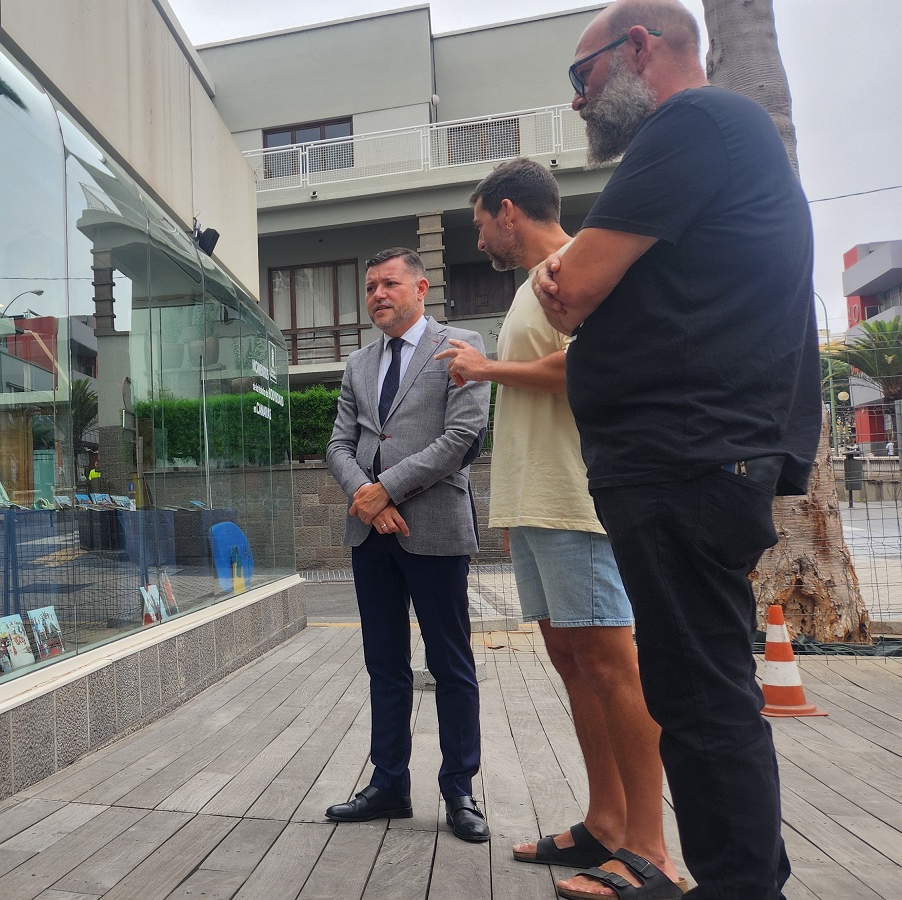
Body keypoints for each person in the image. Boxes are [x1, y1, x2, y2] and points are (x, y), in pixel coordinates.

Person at [533, 2, 820, 897]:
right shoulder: (720, 138)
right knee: (705, 694)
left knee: (699, 701)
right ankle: (744, 878)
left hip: (684, 459)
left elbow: (570, 285)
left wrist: (574, 283)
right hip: (695, 459)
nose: (578, 103)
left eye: (581, 78)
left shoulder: (692, 120)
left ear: (640, 49)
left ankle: (741, 886)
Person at [437, 158, 678, 887]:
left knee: (613, 667)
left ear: (508, 210)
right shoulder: (530, 290)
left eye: (481, 221)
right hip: (538, 508)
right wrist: (513, 511)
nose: (480, 238)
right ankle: (605, 822)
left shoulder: (583, 268)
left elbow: (591, 369)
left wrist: (485, 372)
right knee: (574, 668)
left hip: (578, 504)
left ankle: (650, 849)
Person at [322, 247, 491, 843]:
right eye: (370, 287)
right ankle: (389, 783)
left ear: (421, 288)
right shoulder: (358, 364)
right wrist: (368, 497)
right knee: (384, 664)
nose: (377, 295)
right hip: (371, 537)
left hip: (436, 529)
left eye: (389, 283)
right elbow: (339, 445)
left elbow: (464, 437)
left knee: (451, 664)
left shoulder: (461, 345)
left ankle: (460, 789)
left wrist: (385, 489)